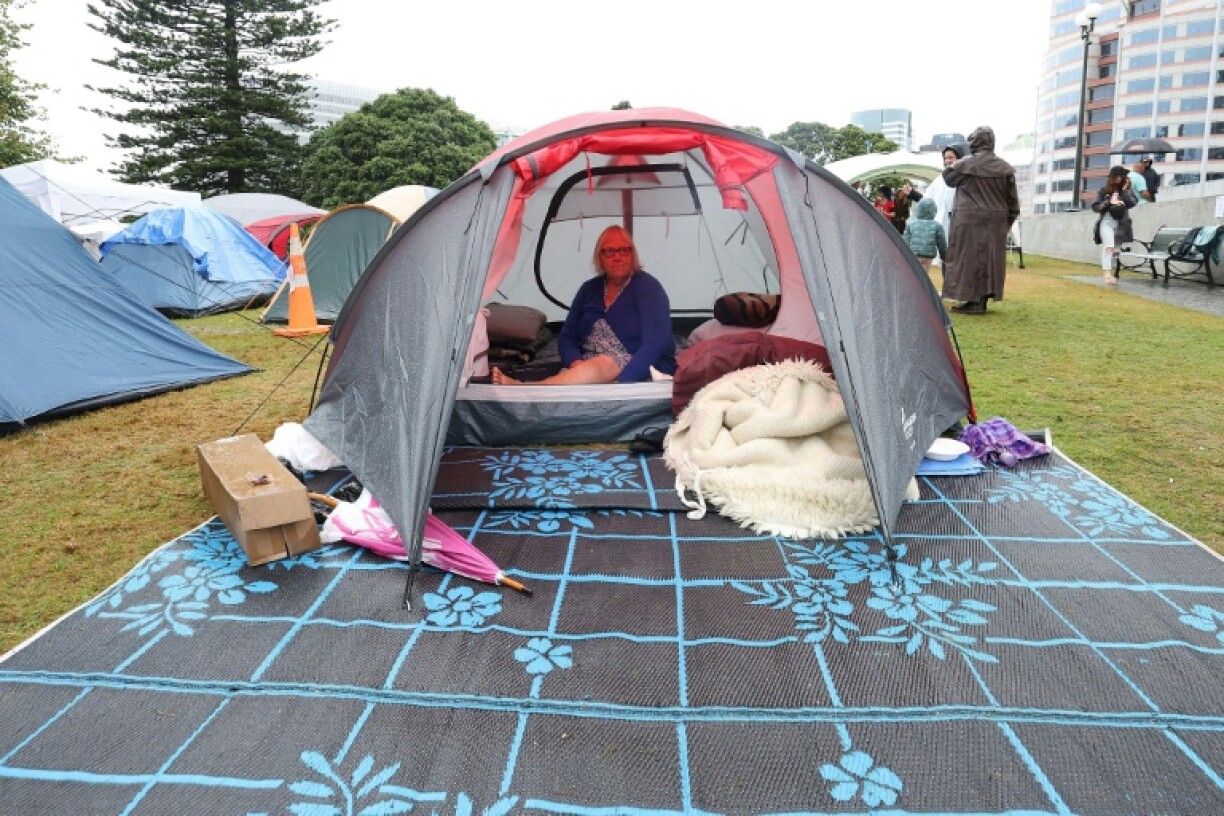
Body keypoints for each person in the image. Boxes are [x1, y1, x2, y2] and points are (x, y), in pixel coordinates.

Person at [492, 225, 676, 385]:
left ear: (632, 254)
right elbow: (567, 335)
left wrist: (622, 382)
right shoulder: (589, 289)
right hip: (587, 368)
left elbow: (656, 343)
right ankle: (558, 385)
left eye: (624, 250)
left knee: (603, 363)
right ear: (600, 258)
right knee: (581, 377)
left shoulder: (649, 288)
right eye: (609, 251)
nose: (617, 257)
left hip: (634, 365)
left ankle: (525, 388)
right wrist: (575, 363)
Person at [940, 126, 1020, 315]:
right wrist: (1008, 220)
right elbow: (1013, 201)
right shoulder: (1005, 168)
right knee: (990, 261)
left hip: (969, 219)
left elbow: (948, 177)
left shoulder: (965, 164)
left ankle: (974, 300)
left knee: (968, 259)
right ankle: (980, 300)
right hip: (996, 221)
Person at [1091, 166, 1138, 286]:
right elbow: (1096, 207)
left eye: (1121, 177)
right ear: (1112, 178)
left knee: (1115, 252)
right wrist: (1109, 202)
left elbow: (1133, 203)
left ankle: (1110, 271)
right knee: (1109, 247)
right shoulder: (1104, 191)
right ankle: (1107, 274)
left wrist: (1126, 189)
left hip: (1121, 224)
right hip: (1106, 222)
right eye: (1117, 177)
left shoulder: (1126, 191)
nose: (1119, 179)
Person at [903, 197, 948, 273]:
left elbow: (905, 241)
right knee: (924, 277)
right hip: (928, 256)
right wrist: (944, 257)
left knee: (914, 275)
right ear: (934, 210)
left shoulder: (911, 224)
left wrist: (904, 255)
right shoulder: (937, 226)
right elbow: (942, 244)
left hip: (913, 255)